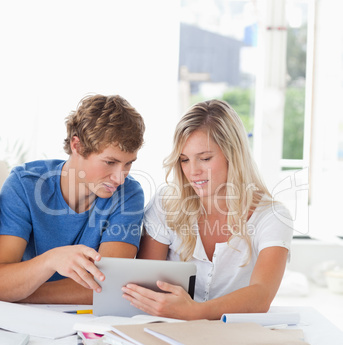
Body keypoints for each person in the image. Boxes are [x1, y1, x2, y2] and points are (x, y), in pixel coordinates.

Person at [122, 99, 293, 320]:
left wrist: (196, 312)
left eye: (205, 158)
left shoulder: (272, 217)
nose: (193, 172)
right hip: (168, 328)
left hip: (234, 334)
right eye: (184, 160)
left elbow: (262, 296)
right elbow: (145, 284)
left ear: (233, 154)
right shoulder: (166, 203)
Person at [0, 94, 145, 304]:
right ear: (77, 146)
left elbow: (107, 285)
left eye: (128, 164)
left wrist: (20, 292)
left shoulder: (128, 194)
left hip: (79, 322)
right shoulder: (24, 185)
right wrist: (51, 260)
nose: (120, 178)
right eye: (110, 162)